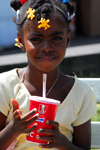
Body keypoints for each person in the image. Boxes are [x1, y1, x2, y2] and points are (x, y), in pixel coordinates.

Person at [0, 0, 97, 150]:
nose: (46, 48)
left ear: (67, 40)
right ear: (21, 41)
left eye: (56, 38)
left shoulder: (80, 93)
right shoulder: (5, 86)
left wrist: (62, 143)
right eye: (36, 39)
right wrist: (13, 129)